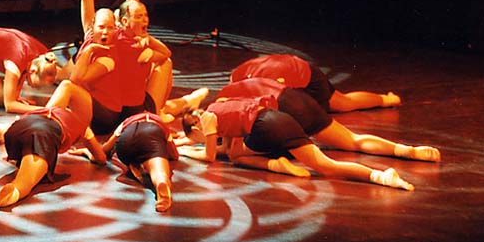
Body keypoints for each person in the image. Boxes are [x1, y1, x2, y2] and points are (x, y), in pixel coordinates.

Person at [71, 0, 206, 134]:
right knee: (162, 66)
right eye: (102, 26)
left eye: (111, 26)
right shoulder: (98, 34)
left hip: (125, 108)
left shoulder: (119, 35)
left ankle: (173, 106)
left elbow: (130, 2)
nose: (107, 30)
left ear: (119, 24)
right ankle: (179, 104)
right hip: (114, 110)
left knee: (161, 64)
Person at [177, 96, 415, 190]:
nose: (202, 140)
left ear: (195, 128)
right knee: (326, 165)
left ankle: (276, 165)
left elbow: (210, 156)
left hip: (264, 126)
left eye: (196, 138)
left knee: (326, 167)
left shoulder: (207, 119)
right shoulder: (220, 109)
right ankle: (380, 176)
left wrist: (187, 151)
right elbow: (227, 149)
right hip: (279, 118)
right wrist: (189, 145)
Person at [217, 78, 440, 162]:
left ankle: (278, 161)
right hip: (298, 99)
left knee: (236, 154)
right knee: (353, 140)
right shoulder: (244, 82)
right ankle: (406, 151)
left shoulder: (221, 103)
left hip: (281, 111)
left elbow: (235, 133)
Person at [0, 80, 107, 209]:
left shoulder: (50, 110)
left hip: (18, 128)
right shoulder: (82, 126)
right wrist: (87, 152)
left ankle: (0, 133)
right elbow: (101, 158)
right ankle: (12, 192)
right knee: (26, 181)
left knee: (27, 146)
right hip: (42, 134)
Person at [229, 54, 401, 113]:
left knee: (342, 104)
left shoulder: (265, 93)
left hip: (302, 72)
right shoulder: (235, 79)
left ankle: (386, 99)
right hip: (282, 68)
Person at [102, 112, 178, 212]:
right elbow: (174, 155)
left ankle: (135, 165)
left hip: (125, 141)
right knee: (159, 172)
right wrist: (162, 150)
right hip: (151, 134)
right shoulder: (159, 122)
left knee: (136, 154)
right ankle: (160, 181)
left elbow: (106, 149)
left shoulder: (127, 121)